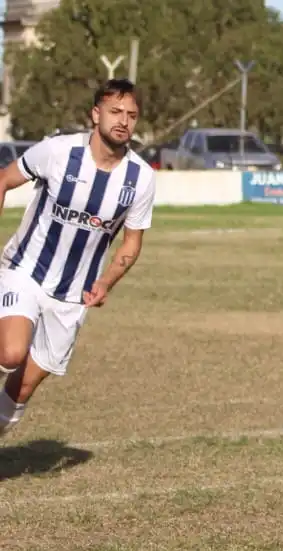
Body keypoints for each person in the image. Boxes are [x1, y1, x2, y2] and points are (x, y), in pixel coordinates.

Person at [0, 79, 156, 439]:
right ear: (96, 114)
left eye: (132, 115)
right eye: (115, 112)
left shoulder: (142, 178)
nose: (124, 121)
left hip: (73, 296)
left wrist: (106, 282)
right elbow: (4, 179)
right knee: (11, 353)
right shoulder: (58, 151)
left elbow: (131, 243)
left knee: (22, 388)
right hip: (26, 270)